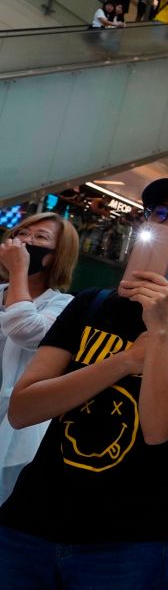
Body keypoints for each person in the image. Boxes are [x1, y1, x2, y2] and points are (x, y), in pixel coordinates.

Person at [0, 178, 168, 589]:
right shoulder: (91, 305)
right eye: (160, 214)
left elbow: (161, 427)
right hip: (30, 523)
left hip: (127, 541)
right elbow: (23, 410)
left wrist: (159, 334)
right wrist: (125, 360)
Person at [0, 214, 79, 503]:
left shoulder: (64, 306)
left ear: (56, 256)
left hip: (14, 435)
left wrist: (18, 271)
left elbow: (25, 330)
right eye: (21, 233)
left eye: (40, 237)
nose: (25, 242)